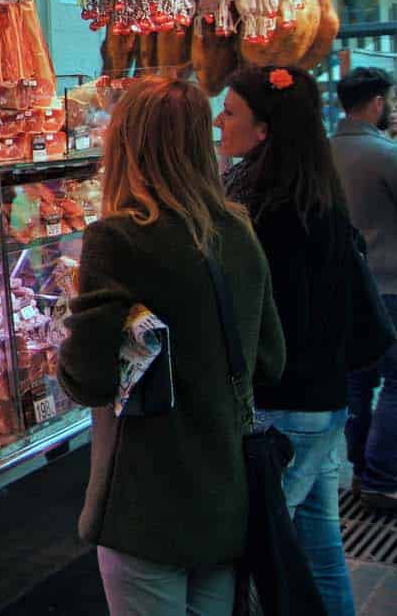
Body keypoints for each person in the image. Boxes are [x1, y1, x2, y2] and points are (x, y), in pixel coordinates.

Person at [59, 77, 285, 616]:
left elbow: (87, 381)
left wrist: (75, 326)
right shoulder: (237, 227)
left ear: (126, 145)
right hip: (223, 492)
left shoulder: (117, 237)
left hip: (147, 502)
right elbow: (270, 361)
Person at [217, 65, 358, 616]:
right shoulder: (317, 193)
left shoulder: (261, 209)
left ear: (264, 130)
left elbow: (254, 316)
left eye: (230, 112)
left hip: (284, 405)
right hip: (324, 399)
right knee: (320, 546)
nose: (219, 121)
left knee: (266, 554)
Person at [332, 67, 397, 509]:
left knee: (356, 381)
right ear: (376, 102)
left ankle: (359, 470)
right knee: (396, 381)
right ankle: (381, 477)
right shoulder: (385, 156)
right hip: (388, 286)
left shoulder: (320, 154)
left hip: (340, 288)